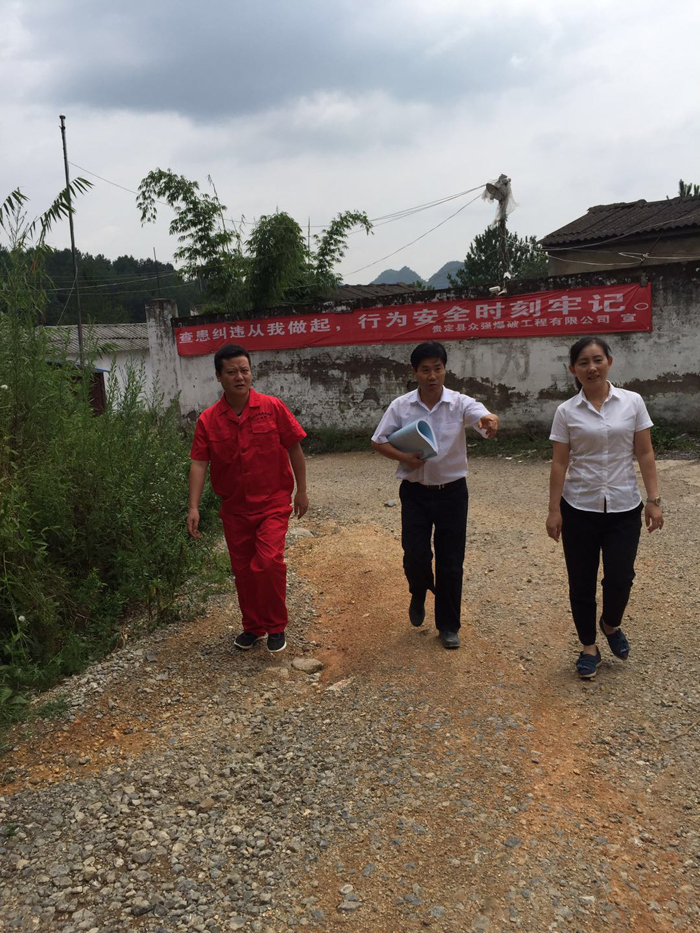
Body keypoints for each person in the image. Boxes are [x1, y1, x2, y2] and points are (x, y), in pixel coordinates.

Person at [546, 336, 664, 679]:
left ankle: (610, 624)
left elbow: (645, 452)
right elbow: (559, 463)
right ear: (573, 370)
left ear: (609, 362)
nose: (592, 368)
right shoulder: (566, 411)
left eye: (597, 360)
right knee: (580, 581)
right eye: (583, 362)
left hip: (624, 506)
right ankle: (588, 647)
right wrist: (554, 510)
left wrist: (653, 500)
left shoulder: (632, 402)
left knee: (621, 576)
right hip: (579, 507)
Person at [371, 341, 499, 649]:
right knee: (415, 555)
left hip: (452, 493)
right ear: (414, 372)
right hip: (415, 492)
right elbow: (378, 440)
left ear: (444, 370)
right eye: (425, 370)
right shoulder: (401, 406)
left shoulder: (459, 403)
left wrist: (490, 420)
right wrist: (403, 457)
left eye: (437, 369)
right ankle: (418, 590)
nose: (432, 376)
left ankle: (449, 626)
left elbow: (483, 416)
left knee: (451, 561)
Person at [187, 344, 308, 653]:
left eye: (244, 370)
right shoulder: (208, 420)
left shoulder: (272, 408)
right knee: (242, 571)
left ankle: (276, 625)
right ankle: (253, 626)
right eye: (231, 372)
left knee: (267, 563)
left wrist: (302, 490)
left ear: (251, 373)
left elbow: (294, 447)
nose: (239, 377)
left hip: (272, 504)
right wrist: (193, 507)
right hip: (235, 509)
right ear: (219, 376)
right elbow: (199, 463)